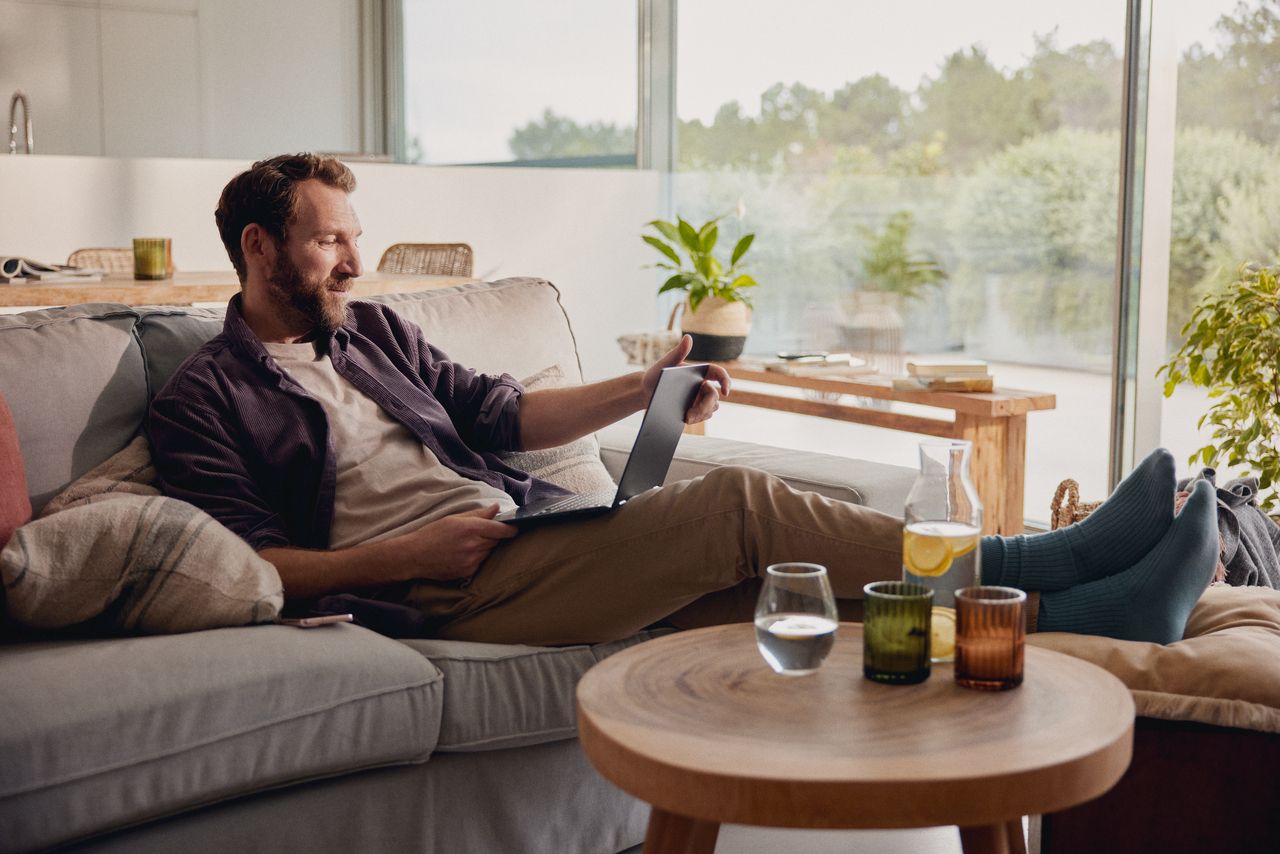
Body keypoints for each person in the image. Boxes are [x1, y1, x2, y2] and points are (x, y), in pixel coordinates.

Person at [148, 153, 1221, 648]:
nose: (354, 259)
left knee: (774, 601)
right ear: (260, 246)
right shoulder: (205, 398)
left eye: (355, 236)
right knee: (737, 505)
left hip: (522, 535)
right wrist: (402, 557)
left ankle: (1079, 615)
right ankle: (1042, 558)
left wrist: (645, 389)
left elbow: (502, 416)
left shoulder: (373, 329)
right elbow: (252, 563)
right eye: (329, 240)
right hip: (437, 590)